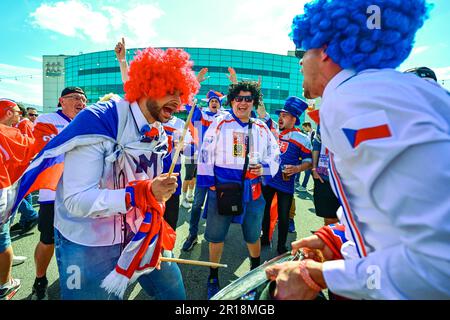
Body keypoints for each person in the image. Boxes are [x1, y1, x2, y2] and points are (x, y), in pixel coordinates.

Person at [266, 0, 450, 300]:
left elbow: (438, 265)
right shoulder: (389, 90)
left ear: (325, 48)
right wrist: (338, 238)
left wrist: (322, 275)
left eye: (305, 51)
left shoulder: (353, 98)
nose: (301, 62)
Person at [14, 47, 199, 300]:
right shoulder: (100, 120)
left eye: (182, 93)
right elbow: (75, 200)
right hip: (89, 243)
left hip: (143, 233)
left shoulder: (160, 129)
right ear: (148, 85)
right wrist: (143, 192)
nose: (179, 102)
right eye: (171, 91)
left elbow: (147, 186)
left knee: (175, 293)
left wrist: (158, 194)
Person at [197, 80, 280, 299]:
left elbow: (275, 153)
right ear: (232, 100)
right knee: (216, 237)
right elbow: (205, 152)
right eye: (238, 98)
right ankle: (213, 275)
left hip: (252, 189)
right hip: (222, 188)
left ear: (254, 102)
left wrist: (263, 169)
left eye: (248, 99)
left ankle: (255, 273)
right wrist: (211, 185)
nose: (242, 103)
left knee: (253, 235)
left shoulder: (261, 127)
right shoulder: (219, 122)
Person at [30, 86, 87, 300]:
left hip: (82, 193)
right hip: (52, 194)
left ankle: (74, 282)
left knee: (78, 241)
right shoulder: (47, 119)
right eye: (75, 98)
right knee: (48, 240)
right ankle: (40, 279)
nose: (81, 102)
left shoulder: (87, 121)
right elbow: (46, 150)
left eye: (84, 99)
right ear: (62, 101)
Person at [0, 99, 57, 300]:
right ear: (7, 113)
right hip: (5, 188)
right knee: (3, 237)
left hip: (9, 187)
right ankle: (6, 284)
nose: (23, 116)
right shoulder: (10, 132)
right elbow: (32, 147)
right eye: (19, 112)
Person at [260, 97, 312, 254]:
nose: (280, 118)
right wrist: (260, 99)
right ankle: (264, 238)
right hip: (268, 180)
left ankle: (281, 247)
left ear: (294, 118)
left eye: (285, 115)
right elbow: (262, 113)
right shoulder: (274, 130)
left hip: (286, 185)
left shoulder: (302, 138)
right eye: (280, 115)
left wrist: (297, 168)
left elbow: (309, 162)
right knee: (265, 211)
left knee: (284, 218)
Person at [181, 88, 229, 252]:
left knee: (219, 205)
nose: (214, 102)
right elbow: (189, 105)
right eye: (211, 101)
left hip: (221, 169)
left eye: (217, 100)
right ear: (209, 104)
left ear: (220, 104)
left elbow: (243, 110)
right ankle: (192, 235)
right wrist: (195, 85)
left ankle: (217, 237)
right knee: (196, 205)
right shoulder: (202, 115)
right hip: (203, 168)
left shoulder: (226, 117)